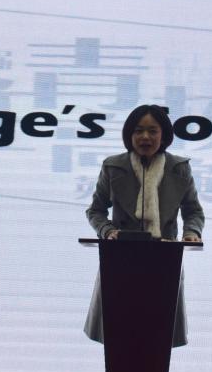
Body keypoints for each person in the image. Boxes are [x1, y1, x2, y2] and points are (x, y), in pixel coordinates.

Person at [84, 104, 204, 347]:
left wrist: (191, 232)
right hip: (120, 260)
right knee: (120, 335)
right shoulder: (113, 166)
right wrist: (108, 231)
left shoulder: (179, 168)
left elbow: (193, 210)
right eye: (138, 131)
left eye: (152, 131)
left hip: (164, 261)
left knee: (157, 336)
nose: (145, 137)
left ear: (164, 135)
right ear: (129, 135)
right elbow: (96, 210)